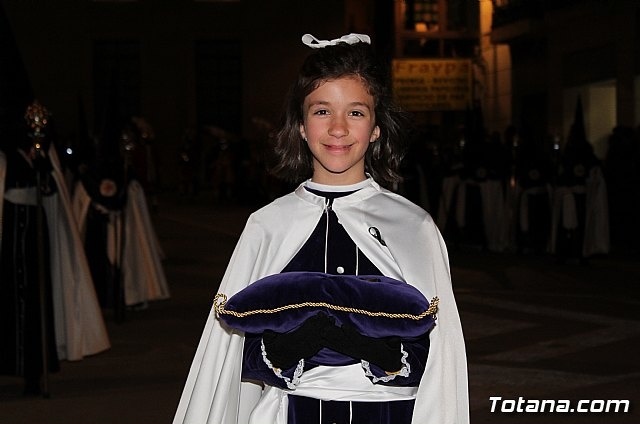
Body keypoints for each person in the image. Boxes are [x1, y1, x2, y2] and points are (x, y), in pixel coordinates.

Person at [173, 33, 469, 424]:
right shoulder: (268, 224)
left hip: (389, 415)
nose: (338, 129)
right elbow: (230, 354)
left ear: (377, 128)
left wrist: (371, 348)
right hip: (291, 412)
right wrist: (287, 347)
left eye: (357, 113)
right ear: (299, 124)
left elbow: (440, 354)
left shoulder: (413, 226)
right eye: (322, 111)